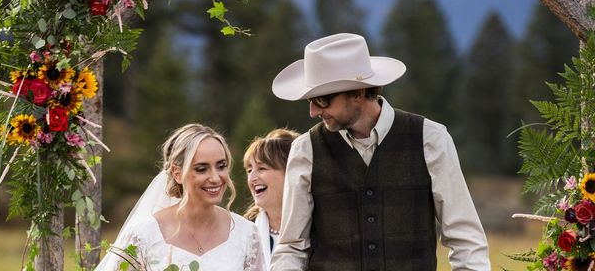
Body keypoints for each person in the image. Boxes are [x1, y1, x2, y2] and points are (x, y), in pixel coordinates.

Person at [269, 33, 490, 271]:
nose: (313, 111)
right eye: (310, 100)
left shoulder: (430, 139)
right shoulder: (306, 150)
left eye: (322, 100)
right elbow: (291, 248)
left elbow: (466, 239)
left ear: (359, 92)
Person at [95, 123, 265, 271]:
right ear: (177, 173)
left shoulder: (246, 234)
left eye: (221, 166)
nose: (215, 178)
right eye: (201, 169)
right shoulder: (143, 236)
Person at [243, 128, 300, 267]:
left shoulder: (320, 226)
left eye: (262, 168)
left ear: (290, 173)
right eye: (249, 170)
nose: (252, 178)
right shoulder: (242, 232)